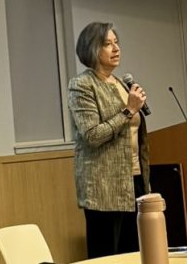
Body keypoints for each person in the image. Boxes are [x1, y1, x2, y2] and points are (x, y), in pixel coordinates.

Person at [68, 21, 151, 259]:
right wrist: (127, 111)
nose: (116, 49)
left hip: (134, 180)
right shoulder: (82, 85)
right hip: (104, 188)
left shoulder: (122, 83)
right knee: (108, 257)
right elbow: (92, 135)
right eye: (107, 44)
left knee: (134, 254)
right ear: (92, 49)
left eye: (117, 43)